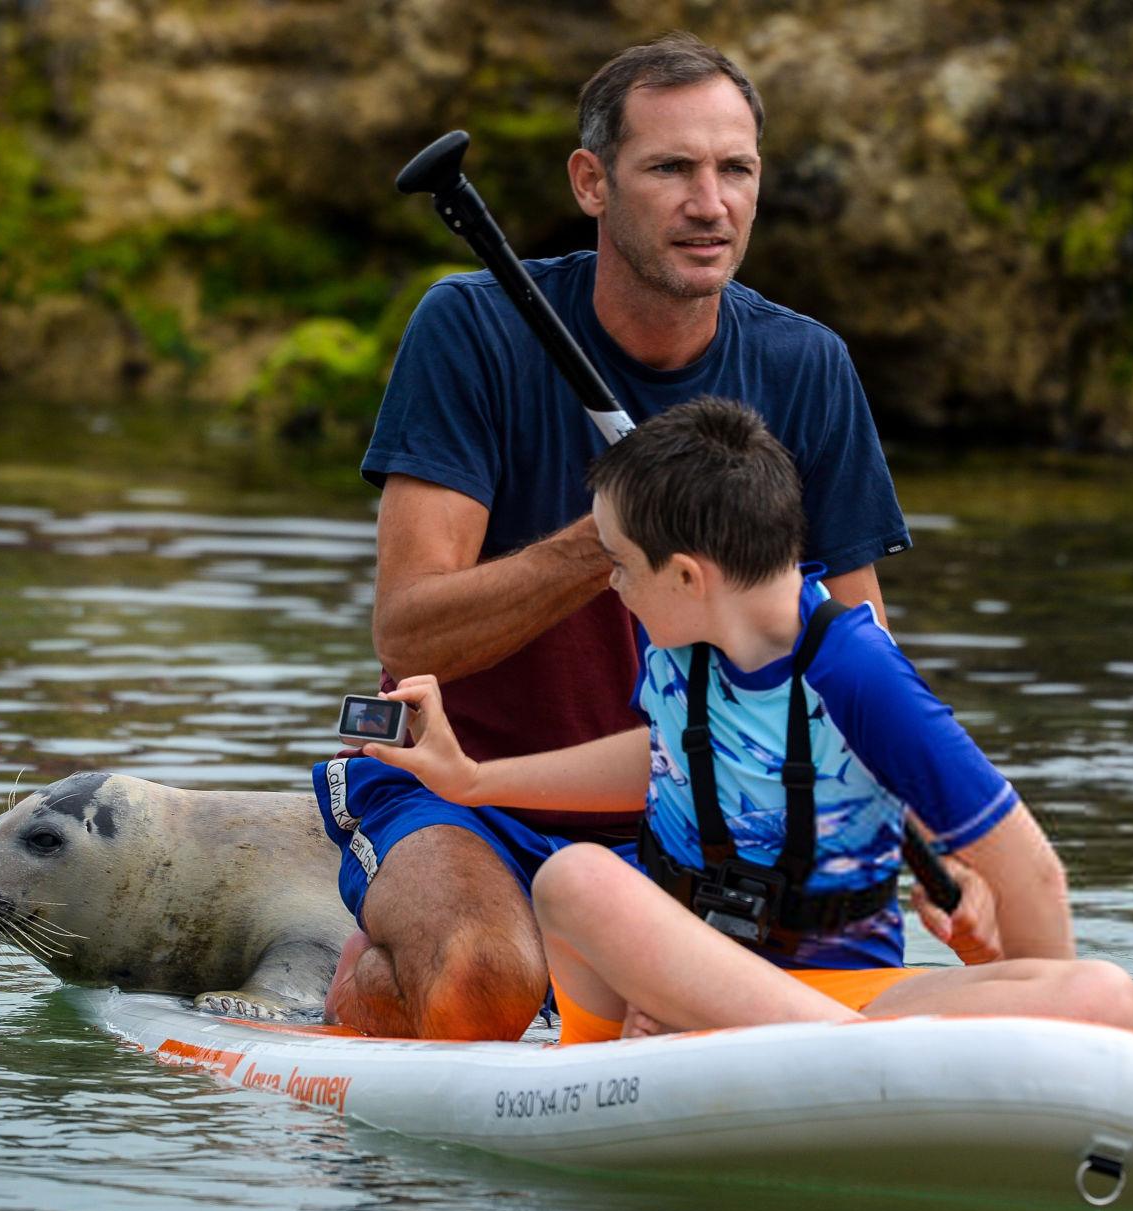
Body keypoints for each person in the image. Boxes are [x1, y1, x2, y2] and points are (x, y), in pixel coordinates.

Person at [314, 33, 967, 1041]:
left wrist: (939, 825)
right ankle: (382, 972)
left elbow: (852, 652)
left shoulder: (806, 367)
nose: (708, 204)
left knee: (729, 1023)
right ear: (591, 181)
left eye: (733, 169)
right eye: (670, 168)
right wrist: (617, 528)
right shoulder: (472, 329)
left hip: (696, 811)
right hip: (463, 790)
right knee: (479, 978)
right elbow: (410, 638)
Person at [357, 397, 1133, 1040]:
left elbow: (1029, 868)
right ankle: (810, 1050)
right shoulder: (678, 647)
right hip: (699, 975)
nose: (615, 591)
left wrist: (1057, 1053)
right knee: (576, 878)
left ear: (690, 575)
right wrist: (474, 781)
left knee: (1102, 996)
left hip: (848, 993)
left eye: (620, 567)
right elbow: (663, 755)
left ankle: (810, 1052)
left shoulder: (859, 671)